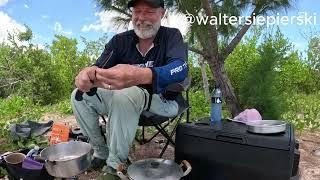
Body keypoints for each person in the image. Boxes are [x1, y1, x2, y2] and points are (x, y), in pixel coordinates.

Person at [71, 0, 188, 179]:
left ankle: (114, 167)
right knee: (79, 96)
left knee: (127, 93)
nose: (141, 18)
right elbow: (98, 68)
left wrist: (141, 75)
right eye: (137, 11)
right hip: (122, 104)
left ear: (162, 13)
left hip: (162, 102)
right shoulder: (119, 41)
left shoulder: (171, 36)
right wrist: (87, 74)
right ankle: (101, 152)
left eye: (149, 11)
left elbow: (181, 68)